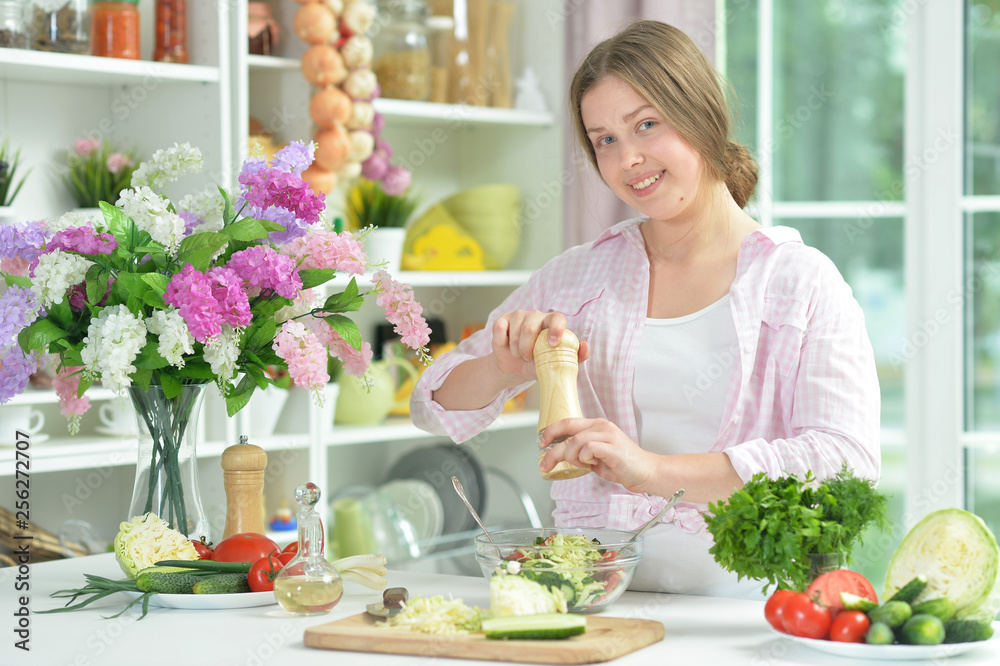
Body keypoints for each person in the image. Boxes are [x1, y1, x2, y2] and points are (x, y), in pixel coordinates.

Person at [410, 20, 880, 599]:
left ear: (701, 116)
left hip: (755, 613)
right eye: (604, 139)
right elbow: (431, 405)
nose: (628, 158)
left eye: (646, 125)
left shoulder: (800, 282)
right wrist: (503, 366)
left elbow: (845, 461)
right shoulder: (580, 275)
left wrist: (651, 470)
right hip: (598, 605)